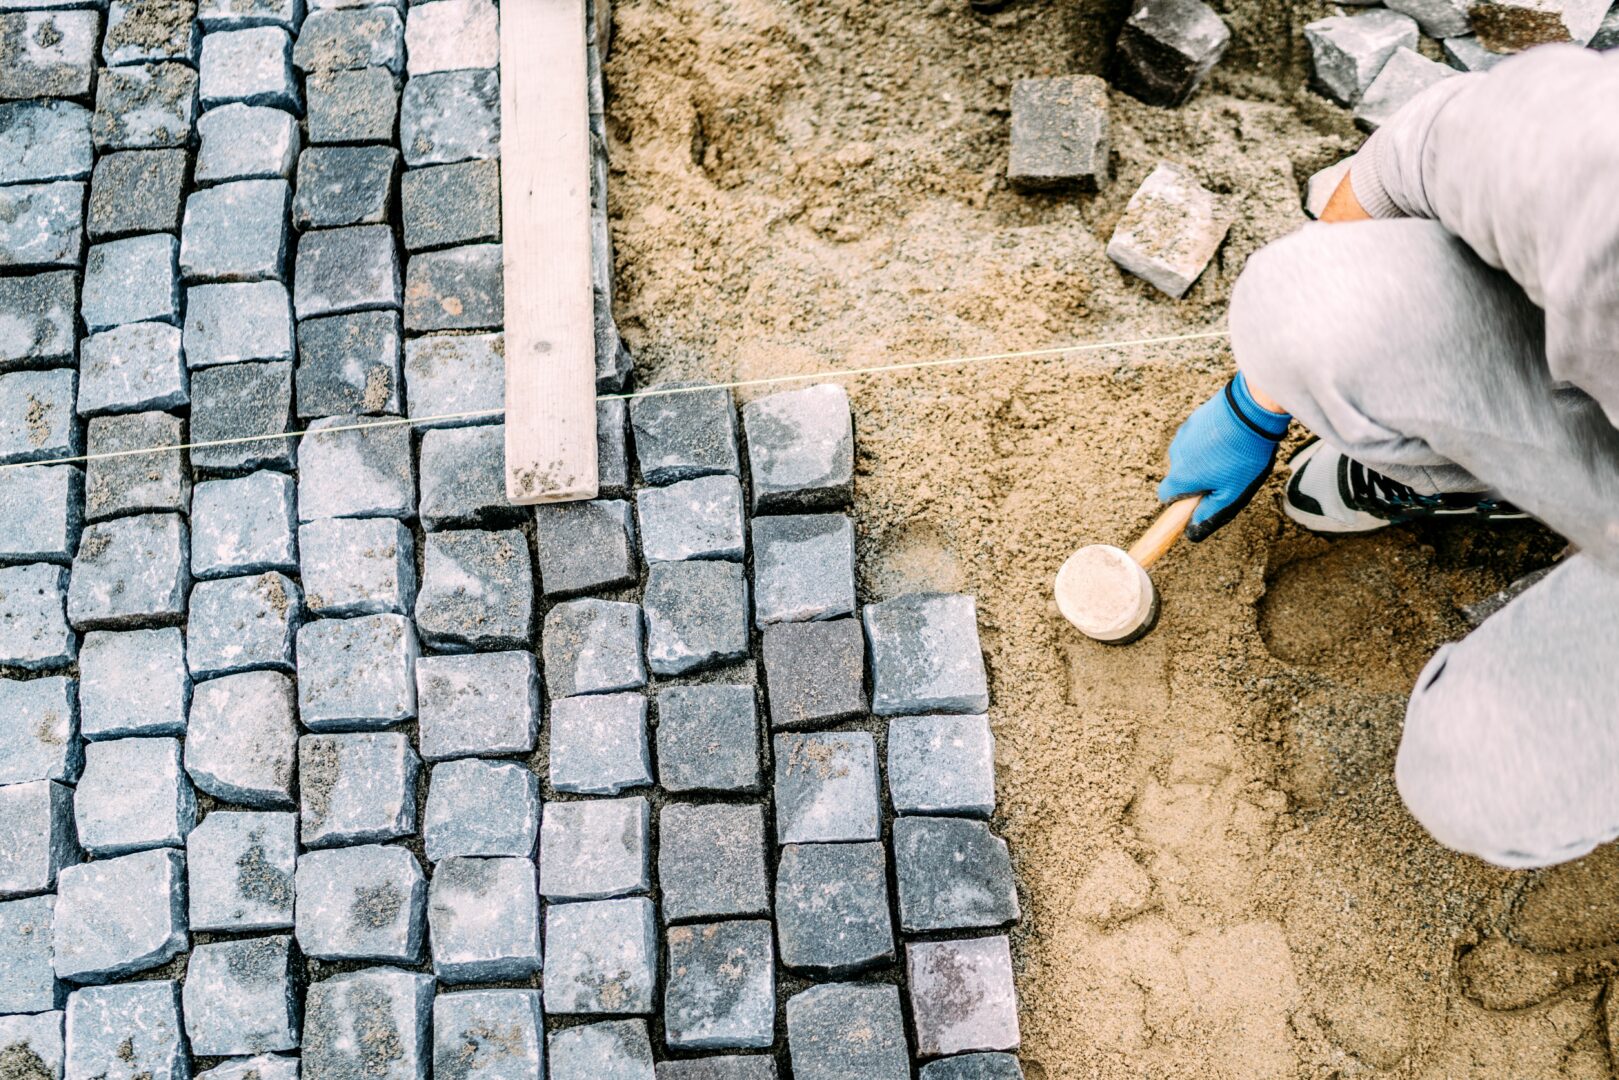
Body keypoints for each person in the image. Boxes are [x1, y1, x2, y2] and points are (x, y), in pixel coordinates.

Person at [1156, 44, 1619, 870]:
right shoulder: (1597, 170)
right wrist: (1251, 403)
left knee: (1484, 773)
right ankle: (1489, 479)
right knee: (1301, 307)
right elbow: (1417, 151)